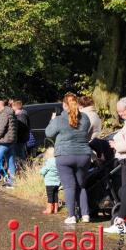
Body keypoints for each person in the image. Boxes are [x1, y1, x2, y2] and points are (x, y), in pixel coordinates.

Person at [45, 93, 91, 224]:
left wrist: (52, 120)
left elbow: (48, 133)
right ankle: (85, 214)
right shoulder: (85, 118)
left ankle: (71, 216)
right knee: (81, 186)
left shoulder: (59, 119)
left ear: (64, 105)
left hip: (64, 155)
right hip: (84, 155)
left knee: (69, 187)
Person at [104, 97, 126, 234]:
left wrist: (116, 145)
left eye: (122, 111)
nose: (120, 114)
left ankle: (120, 221)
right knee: (124, 190)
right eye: (119, 111)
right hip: (125, 160)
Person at [40, 147, 61, 214]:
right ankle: (55, 209)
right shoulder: (58, 162)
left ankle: (49, 209)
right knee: (55, 196)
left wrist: (41, 172)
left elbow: (43, 171)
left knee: (50, 196)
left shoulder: (49, 162)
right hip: (57, 183)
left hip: (49, 183)